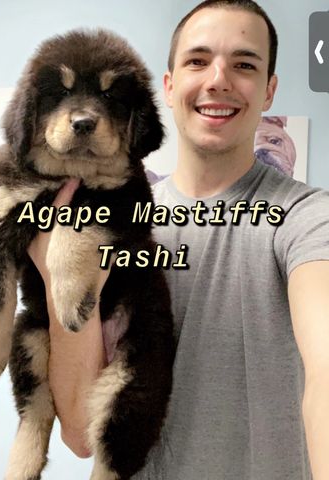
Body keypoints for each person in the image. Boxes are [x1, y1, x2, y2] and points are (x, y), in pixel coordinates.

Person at [29, 1, 329, 479]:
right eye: (197, 60)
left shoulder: (308, 218)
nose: (218, 79)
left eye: (245, 64)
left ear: (269, 90)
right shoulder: (109, 221)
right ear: (168, 87)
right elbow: (83, 434)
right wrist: (57, 276)